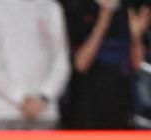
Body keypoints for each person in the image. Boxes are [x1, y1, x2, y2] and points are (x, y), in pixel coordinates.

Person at [0, 0, 71, 130]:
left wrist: (44, 96)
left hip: (44, 111)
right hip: (3, 111)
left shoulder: (51, 7)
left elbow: (61, 61)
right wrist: (20, 98)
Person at [60, 0, 151, 129]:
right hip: (85, 113)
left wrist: (135, 37)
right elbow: (81, 65)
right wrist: (101, 26)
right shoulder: (77, 6)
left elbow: (137, 66)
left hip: (122, 111)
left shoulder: (131, 8)